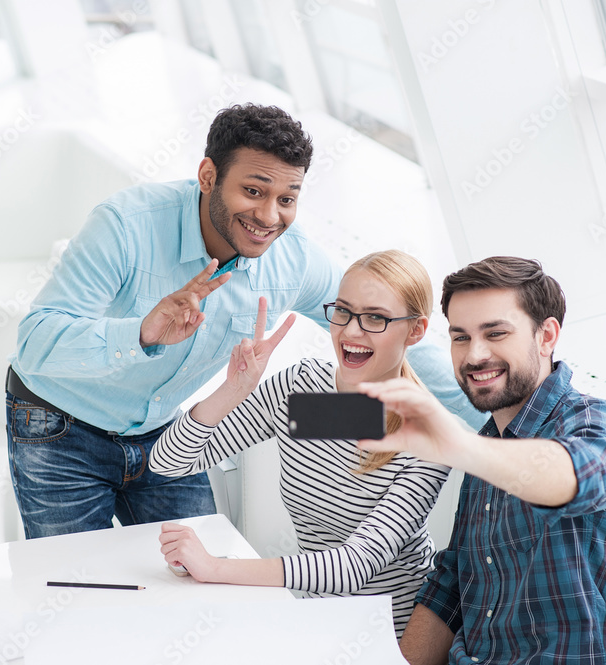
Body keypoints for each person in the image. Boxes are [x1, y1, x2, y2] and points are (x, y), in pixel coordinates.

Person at [6, 103, 482, 539]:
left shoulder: (292, 262)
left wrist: (498, 424)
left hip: (164, 432)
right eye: (253, 191)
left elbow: (391, 331)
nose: (269, 216)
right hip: (60, 425)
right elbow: (35, 343)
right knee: (78, 592)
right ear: (208, 175)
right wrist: (142, 333)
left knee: (201, 581)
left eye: (287, 199)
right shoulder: (125, 226)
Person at [357, 256, 606, 664]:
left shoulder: (601, 421)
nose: (474, 355)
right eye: (460, 337)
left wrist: (459, 447)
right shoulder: (487, 442)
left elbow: (575, 474)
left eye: (495, 333)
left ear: (546, 336)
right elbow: (453, 584)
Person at [150, 250, 450, 637]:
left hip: (393, 634)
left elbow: (353, 566)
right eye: (342, 311)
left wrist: (215, 567)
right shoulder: (307, 396)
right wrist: (233, 391)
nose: (351, 331)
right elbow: (168, 462)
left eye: (375, 317)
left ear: (415, 331)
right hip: (312, 616)